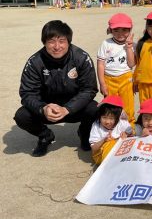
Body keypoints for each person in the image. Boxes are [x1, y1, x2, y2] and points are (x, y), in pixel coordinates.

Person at [14, 20, 98, 157]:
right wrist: (43, 108)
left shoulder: (81, 58)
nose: (57, 46)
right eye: (51, 41)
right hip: (47, 110)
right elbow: (27, 93)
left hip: (74, 109)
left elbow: (89, 89)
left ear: (68, 42)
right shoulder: (35, 62)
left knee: (95, 109)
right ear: (44, 42)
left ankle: (84, 133)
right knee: (22, 116)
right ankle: (45, 136)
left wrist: (67, 108)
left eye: (62, 41)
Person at [97, 13, 135, 126]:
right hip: (109, 80)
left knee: (128, 105)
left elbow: (131, 64)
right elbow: (100, 64)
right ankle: (112, 126)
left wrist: (128, 48)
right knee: (111, 105)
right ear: (111, 30)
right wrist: (102, 83)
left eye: (124, 30)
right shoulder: (106, 44)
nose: (120, 34)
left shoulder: (132, 44)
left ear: (130, 29)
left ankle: (130, 126)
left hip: (126, 78)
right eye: (116, 30)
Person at [89, 95, 133, 165]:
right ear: (99, 116)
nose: (107, 121)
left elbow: (131, 132)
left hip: (119, 153)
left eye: (111, 118)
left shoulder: (122, 122)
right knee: (110, 144)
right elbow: (94, 148)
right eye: (104, 117)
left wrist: (126, 134)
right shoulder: (96, 125)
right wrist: (104, 140)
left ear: (118, 117)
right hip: (101, 156)